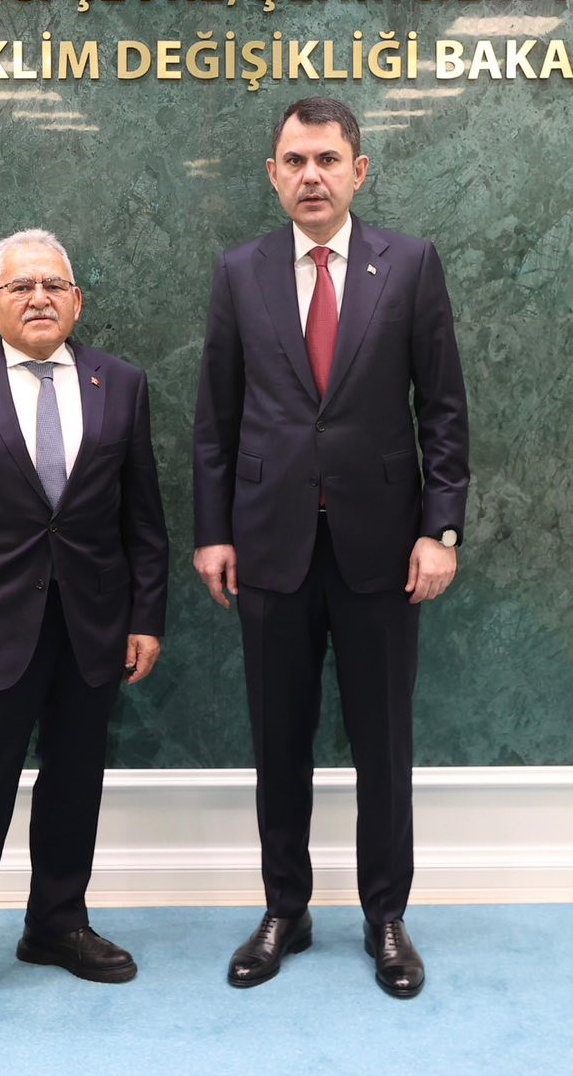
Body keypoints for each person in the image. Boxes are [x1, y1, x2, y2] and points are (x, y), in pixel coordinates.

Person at [192, 97, 469, 999]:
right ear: (272, 174)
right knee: (280, 741)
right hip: (269, 546)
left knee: (383, 744)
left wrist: (440, 529)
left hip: (384, 550)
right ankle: (286, 909)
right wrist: (213, 532)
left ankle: (386, 916)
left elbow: (444, 411)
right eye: (294, 160)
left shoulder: (410, 265)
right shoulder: (240, 272)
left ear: (359, 171)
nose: (310, 175)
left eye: (327, 159)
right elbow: (215, 420)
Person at [0, 228, 169, 1028]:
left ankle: (56, 924)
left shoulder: (122, 384)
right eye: (21, 287)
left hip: (92, 625)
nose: (39, 297)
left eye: (54, 285)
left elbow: (143, 517)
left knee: (75, 782)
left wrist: (145, 617)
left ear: (77, 301)